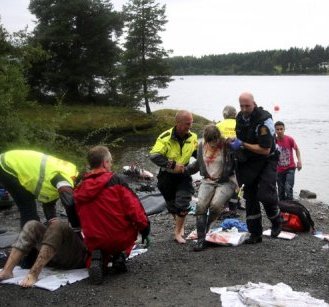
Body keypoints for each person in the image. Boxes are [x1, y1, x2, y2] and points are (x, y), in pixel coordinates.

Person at [74, 146, 150, 284]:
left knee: (96, 239)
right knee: (131, 228)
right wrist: (145, 228)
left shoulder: (80, 187)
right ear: (104, 163)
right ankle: (119, 256)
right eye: (109, 162)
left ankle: (97, 258)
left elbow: (77, 216)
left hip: (93, 238)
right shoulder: (116, 180)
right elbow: (134, 209)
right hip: (118, 237)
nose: (110, 165)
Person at [230, 92, 282, 244]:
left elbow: (265, 149)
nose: (245, 109)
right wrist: (234, 144)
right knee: (250, 197)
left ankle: (277, 219)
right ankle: (255, 234)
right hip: (249, 162)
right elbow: (241, 138)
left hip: (267, 159)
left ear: (254, 104)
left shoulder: (264, 120)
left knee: (265, 194)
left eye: (247, 106)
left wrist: (242, 144)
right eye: (242, 106)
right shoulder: (240, 118)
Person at [149, 110, 198, 244]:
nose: (190, 126)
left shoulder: (193, 137)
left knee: (183, 204)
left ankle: (178, 232)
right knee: (172, 206)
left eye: (191, 123)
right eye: (187, 123)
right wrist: (172, 165)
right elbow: (154, 155)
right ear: (178, 123)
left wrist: (200, 165)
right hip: (167, 176)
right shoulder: (165, 137)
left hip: (184, 175)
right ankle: (178, 225)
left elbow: (197, 154)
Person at [186, 125, 237, 251]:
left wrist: (236, 142)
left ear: (219, 137)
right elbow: (198, 164)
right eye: (210, 141)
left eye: (215, 140)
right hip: (208, 180)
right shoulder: (201, 145)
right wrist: (184, 171)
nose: (213, 144)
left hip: (226, 181)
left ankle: (208, 224)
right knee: (201, 206)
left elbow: (240, 160)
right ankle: (201, 240)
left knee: (215, 205)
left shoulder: (227, 145)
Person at [0, 150, 80, 228]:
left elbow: (49, 203)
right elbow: (69, 203)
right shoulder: (64, 180)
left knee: (29, 206)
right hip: (7, 164)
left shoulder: (64, 180)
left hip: (14, 162)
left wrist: (52, 221)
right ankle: (28, 239)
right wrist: (76, 226)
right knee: (28, 207)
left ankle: (32, 234)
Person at [0, 218, 87, 288]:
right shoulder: (74, 199)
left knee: (58, 225)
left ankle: (33, 274)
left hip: (79, 255)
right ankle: (7, 271)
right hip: (58, 254)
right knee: (32, 225)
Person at [275, 121, 302, 201]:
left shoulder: (289, 139)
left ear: (284, 129)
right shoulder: (273, 141)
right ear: (275, 130)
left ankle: (291, 206)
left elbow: (297, 149)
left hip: (290, 168)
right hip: (279, 170)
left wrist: (299, 161)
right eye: (277, 129)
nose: (279, 131)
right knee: (280, 191)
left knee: (288, 187)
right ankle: (282, 209)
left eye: (281, 129)